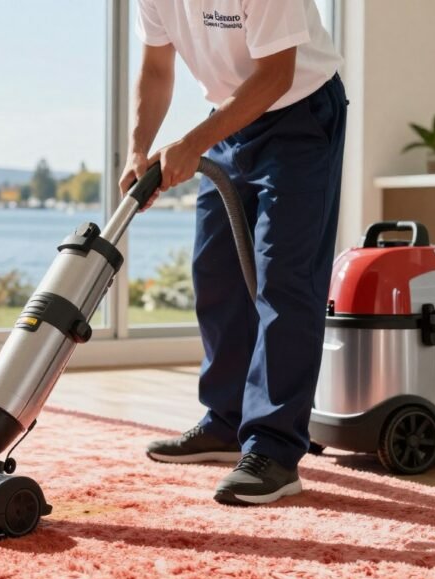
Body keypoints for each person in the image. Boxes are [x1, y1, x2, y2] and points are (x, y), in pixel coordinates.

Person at [122, 0, 347, 505]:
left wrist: (191, 143)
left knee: (284, 278)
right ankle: (226, 421)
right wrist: (139, 148)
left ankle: (274, 447)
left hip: (299, 114)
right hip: (230, 116)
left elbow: (276, 75)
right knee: (215, 271)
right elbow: (156, 69)